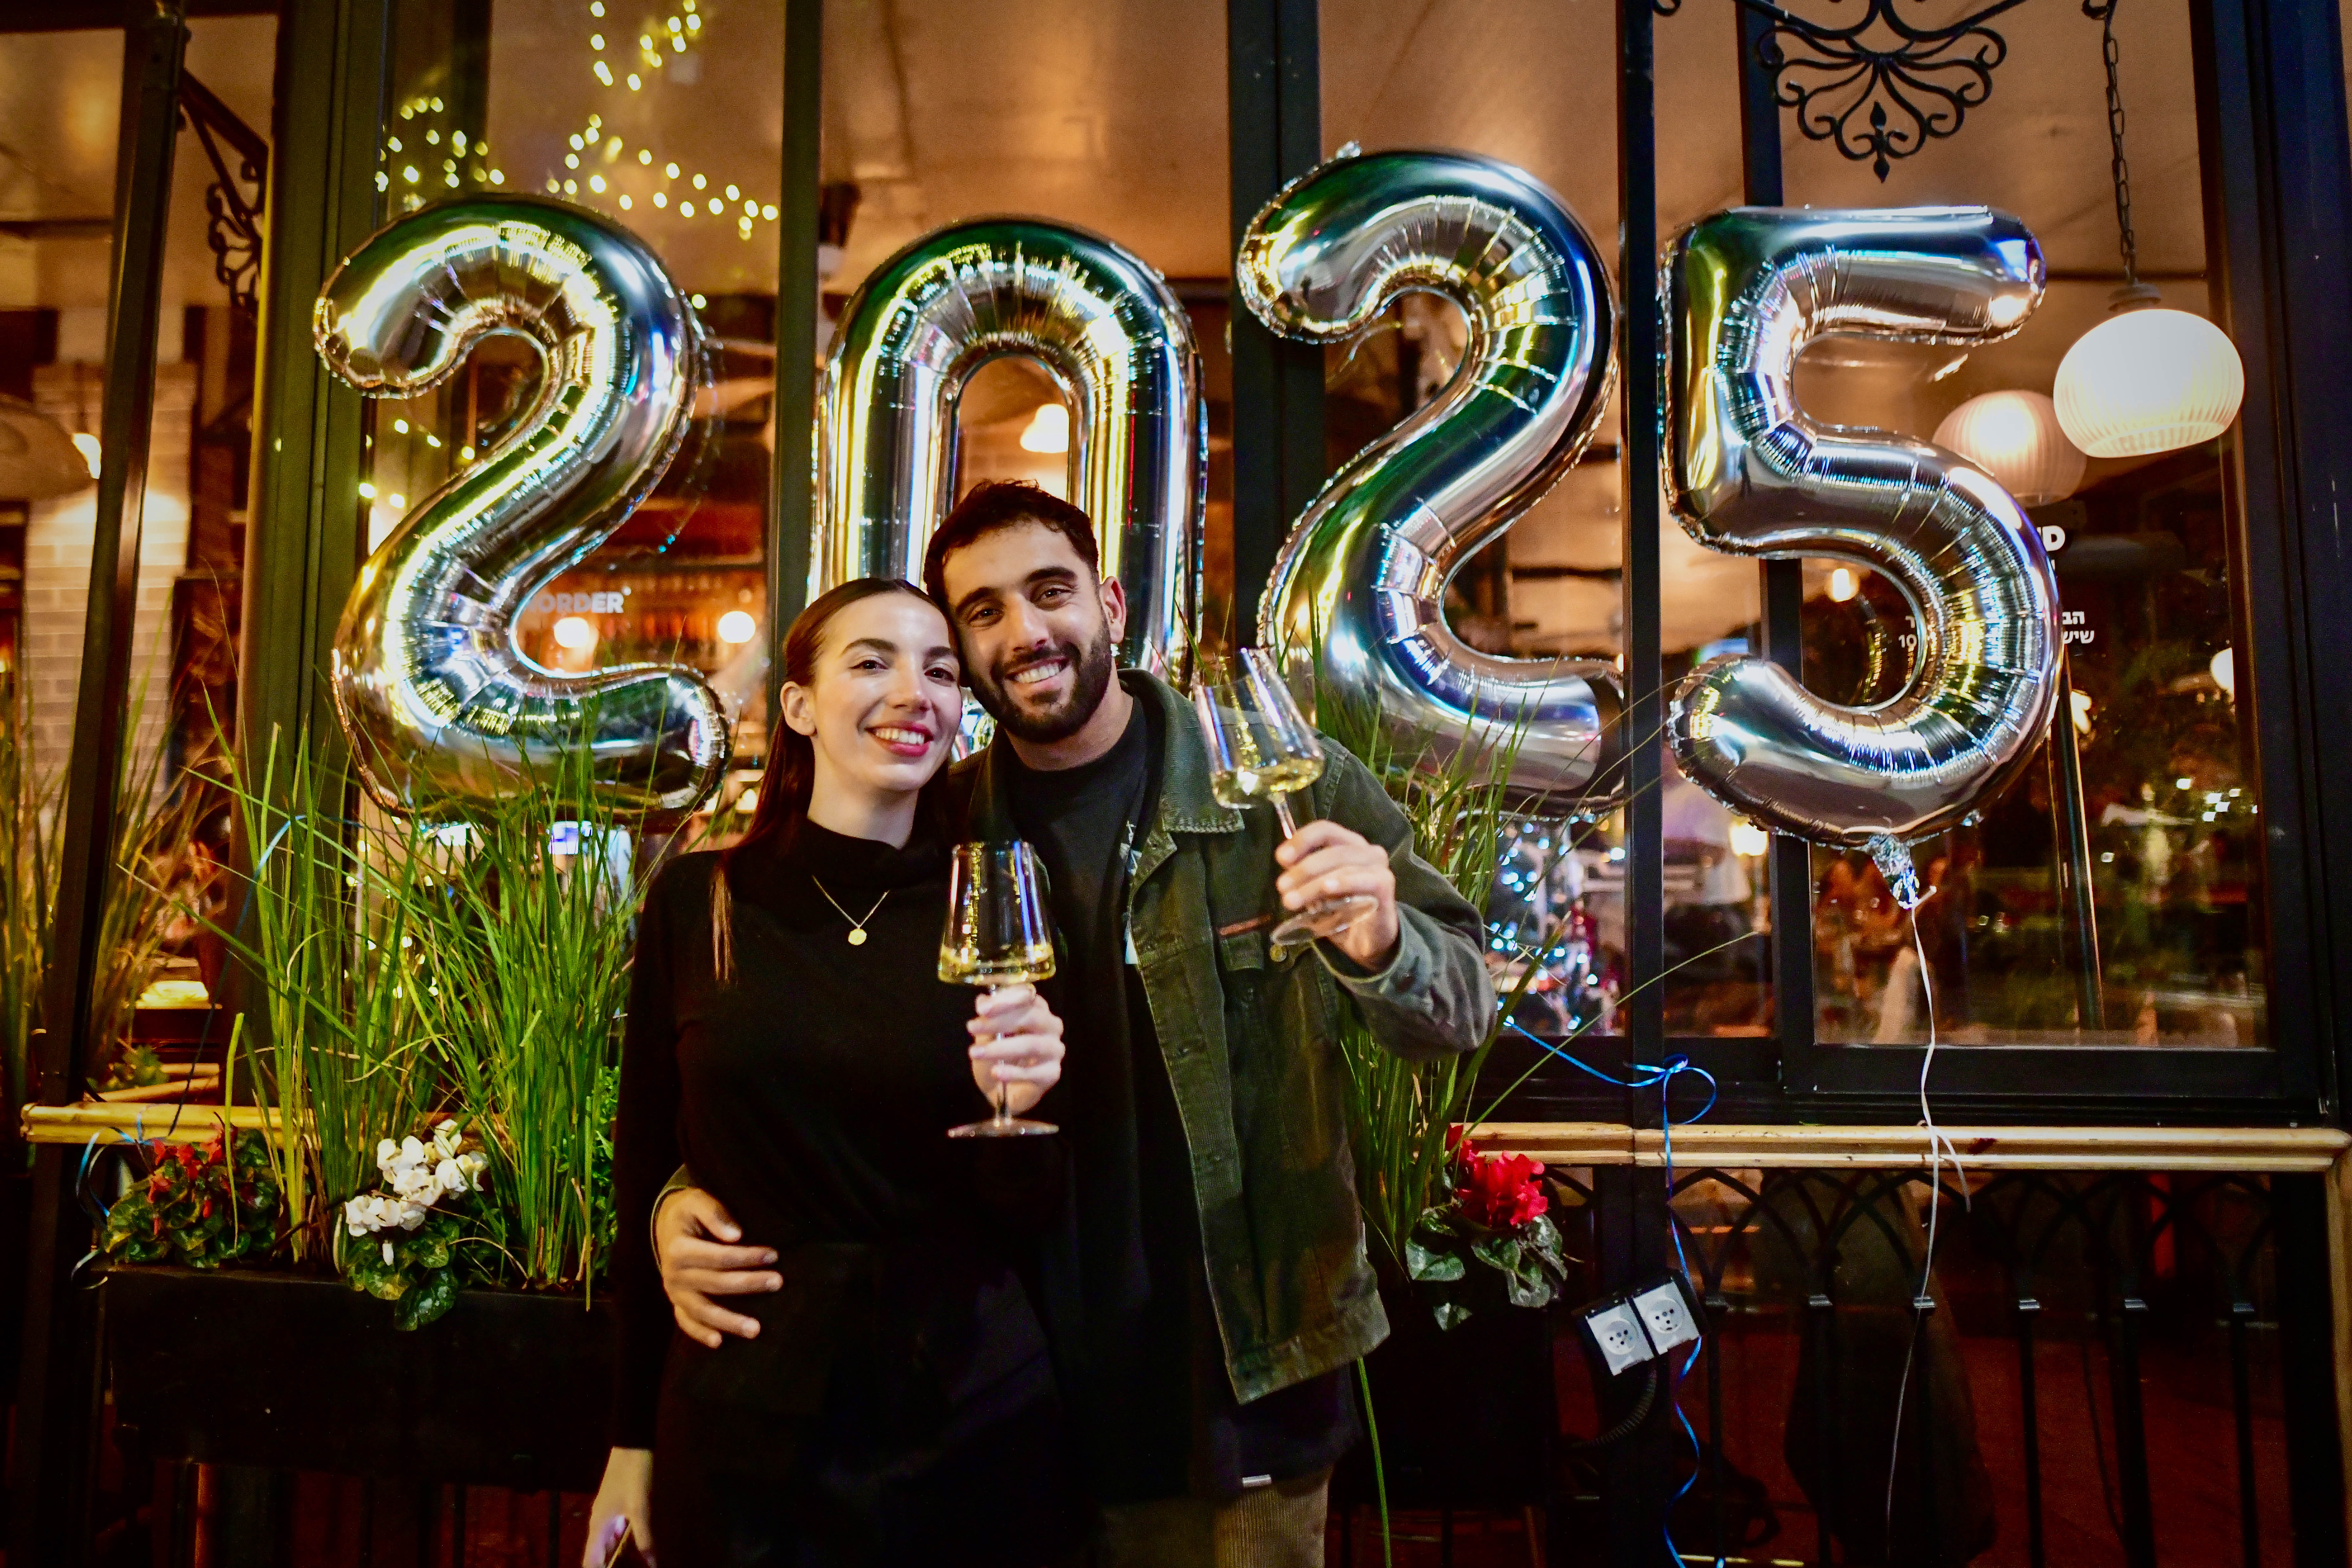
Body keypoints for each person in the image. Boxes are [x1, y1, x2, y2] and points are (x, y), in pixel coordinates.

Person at [655, 483, 1496, 1565]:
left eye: (1049, 593)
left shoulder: (1269, 784)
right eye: (984, 613)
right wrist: (683, 1204)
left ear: (1107, 601)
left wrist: (1382, 940)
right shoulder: (942, 823)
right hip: (1014, 1391)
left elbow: (1461, 1008)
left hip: (1244, 1371)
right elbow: (802, 1051)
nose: (1025, 632)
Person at [584, 578, 1087, 1568]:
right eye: (874, 662)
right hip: (745, 1420)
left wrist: (1030, 1112)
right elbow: (640, 1168)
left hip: (970, 1414)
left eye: (941, 670)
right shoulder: (703, 901)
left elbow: (1039, 1214)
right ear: (800, 706)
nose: (917, 692)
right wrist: (630, 1439)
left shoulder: (995, 905)